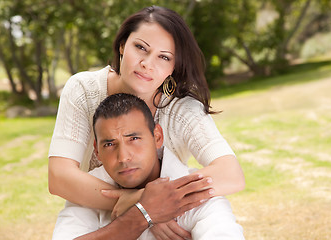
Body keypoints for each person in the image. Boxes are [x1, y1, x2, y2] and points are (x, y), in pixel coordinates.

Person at [48, 5, 245, 238]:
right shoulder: (83, 90)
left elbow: (230, 174)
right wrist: (142, 206)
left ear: (173, 67)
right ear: (122, 45)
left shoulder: (181, 108)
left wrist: (159, 204)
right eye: (141, 47)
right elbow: (59, 177)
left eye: (164, 57)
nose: (147, 63)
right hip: (92, 209)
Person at [52, 93, 245, 240]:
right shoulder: (88, 195)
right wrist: (143, 214)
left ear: (157, 137)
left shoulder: (199, 196)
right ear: (96, 150)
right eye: (109, 144)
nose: (123, 157)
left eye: (134, 138)